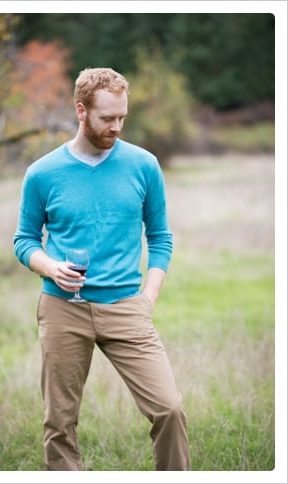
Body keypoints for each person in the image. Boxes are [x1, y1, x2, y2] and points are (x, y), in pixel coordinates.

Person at [13, 67, 189, 471]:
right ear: (81, 111)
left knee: (169, 409)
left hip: (127, 306)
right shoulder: (42, 173)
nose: (116, 127)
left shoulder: (143, 165)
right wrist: (51, 267)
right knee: (59, 423)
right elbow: (24, 240)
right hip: (62, 308)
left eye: (122, 117)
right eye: (107, 118)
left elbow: (160, 237)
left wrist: (149, 297)